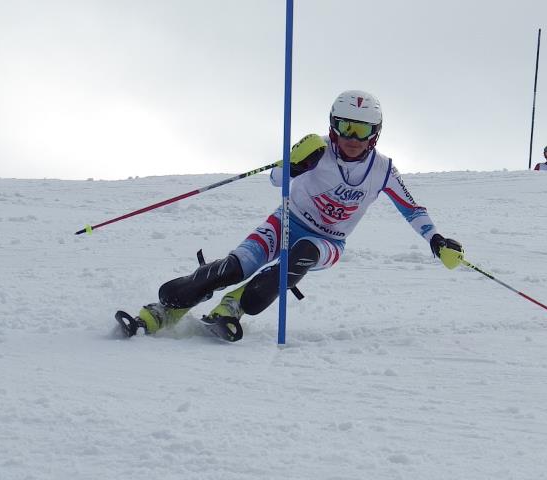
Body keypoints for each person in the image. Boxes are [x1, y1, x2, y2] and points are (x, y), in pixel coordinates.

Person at [131, 90, 464, 342]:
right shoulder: (316, 148)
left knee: (299, 257)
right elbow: (276, 179)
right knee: (235, 267)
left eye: (361, 130)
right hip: (286, 222)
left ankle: (234, 306)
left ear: (375, 133)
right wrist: (295, 165)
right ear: (333, 126)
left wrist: (436, 239)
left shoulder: (383, 170)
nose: (352, 138)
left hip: (328, 242)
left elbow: (412, 209)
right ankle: (164, 310)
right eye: (345, 127)